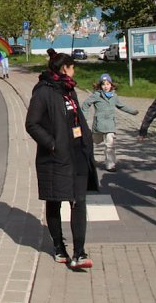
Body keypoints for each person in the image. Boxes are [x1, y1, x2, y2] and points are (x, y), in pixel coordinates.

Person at [25, 51, 99, 270]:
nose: (74, 70)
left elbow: (77, 119)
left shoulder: (69, 89)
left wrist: (86, 140)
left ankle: (79, 252)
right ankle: (58, 246)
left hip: (77, 154)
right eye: (72, 67)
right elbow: (32, 124)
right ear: (64, 68)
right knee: (54, 200)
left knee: (79, 202)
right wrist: (53, 143)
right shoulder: (43, 91)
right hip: (55, 157)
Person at [81, 73, 138, 172]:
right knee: (95, 141)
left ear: (111, 85)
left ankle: (110, 165)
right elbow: (85, 104)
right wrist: (84, 117)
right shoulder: (97, 95)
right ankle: (88, 159)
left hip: (110, 125)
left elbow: (121, 106)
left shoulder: (114, 96)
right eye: (103, 84)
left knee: (110, 145)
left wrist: (133, 111)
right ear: (100, 86)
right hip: (98, 125)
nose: (106, 86)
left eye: (108, 84)